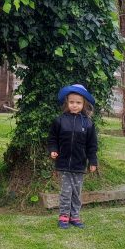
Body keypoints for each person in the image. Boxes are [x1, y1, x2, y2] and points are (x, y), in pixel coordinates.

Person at [48, 83, 98, 229]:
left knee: (76, 192)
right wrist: (53, 149)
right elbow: (52, 138)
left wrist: (92, 161)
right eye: (71, 102)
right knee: (66, 192)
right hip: (63, 164)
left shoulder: (88, 124)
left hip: (79, 164)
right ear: (67, 103)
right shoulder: (60, 120)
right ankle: (64, 216)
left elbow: (92, 145)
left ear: (84, 104)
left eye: (78, 102)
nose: (74, 105)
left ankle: (74, 216)